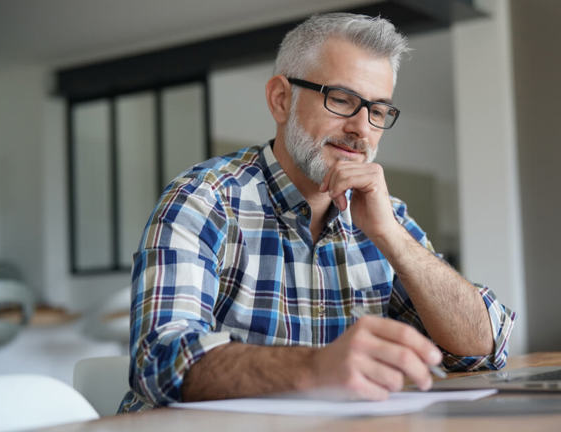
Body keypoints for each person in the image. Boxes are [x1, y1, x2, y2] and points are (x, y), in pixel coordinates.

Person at [120, 12, 515, 412]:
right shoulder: (203, 199)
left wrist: (392, 237)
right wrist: (317, 367)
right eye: (342, 99)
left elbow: (484, 349)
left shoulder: (385, 215)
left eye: (378, 110)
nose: (362, 128)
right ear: (281, 99)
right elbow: (158, 360)